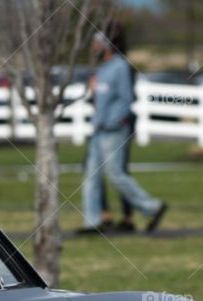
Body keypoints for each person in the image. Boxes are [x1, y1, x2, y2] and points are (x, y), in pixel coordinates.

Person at [80, 26, 166, 235]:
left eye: (96, 43)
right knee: (91, 176)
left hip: (113, 130)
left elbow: (126, 99)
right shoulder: (103, 69)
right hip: (99, 129)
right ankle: (93, 221)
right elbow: (100, 100)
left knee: (116, 174)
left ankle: (152, 207)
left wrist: (113, 122)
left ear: (106, 45)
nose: (93, 48)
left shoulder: (120, 67)